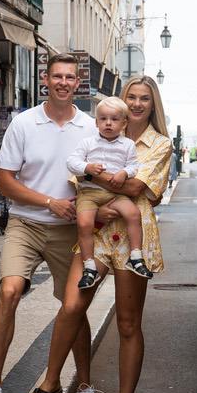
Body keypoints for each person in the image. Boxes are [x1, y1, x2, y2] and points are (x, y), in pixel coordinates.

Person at [23, 76, 172, 393]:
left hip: (133, 239)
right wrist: (96, 185)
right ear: (121, 103)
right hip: (98, 232)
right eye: (131, 98)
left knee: (127, 323)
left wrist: (92, 173)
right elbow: (74, 178)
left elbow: (138, 187)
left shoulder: (160, 144)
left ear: (153, 106)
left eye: (144, 100)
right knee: (72, 305)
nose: (137, 105)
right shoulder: (92, 135)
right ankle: (51, 382)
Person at [0, 53, 105, 393]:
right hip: (26, 224)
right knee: (9, 291)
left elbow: (101, 175)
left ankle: (83, 388)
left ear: (77, 82)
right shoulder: (24, 123)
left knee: (74, 307)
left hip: (73, 231)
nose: (63, 82)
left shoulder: (90, 127)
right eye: (57, 77)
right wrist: (50, 202)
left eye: (70, 77)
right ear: (45, 81)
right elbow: (5, 181)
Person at [66, 97, 151, 289]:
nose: (108, 123)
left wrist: (124, 173)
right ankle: (89, 266)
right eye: (103, 119)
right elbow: (71, 162)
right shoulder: (88, 143)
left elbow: (134, 166)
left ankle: (136, 256)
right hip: (89, 194)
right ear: (96, 122)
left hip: (115, 195)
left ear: (123, 123)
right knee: (84, 223)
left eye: (114, 119)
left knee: (133, 213)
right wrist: (87, 167)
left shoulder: (127, 145)